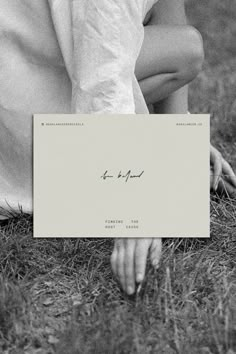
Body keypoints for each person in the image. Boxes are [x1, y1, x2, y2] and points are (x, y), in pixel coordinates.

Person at [0, 0, 235, 295]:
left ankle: (86, 155)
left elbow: (167, 12)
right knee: (185, 48)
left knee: (184, 45)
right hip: (26, 121)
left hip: (35, 65)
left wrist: (181, 143)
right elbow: (102, 84)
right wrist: (129, 211)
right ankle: (67, 164)